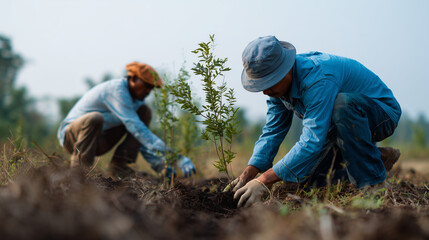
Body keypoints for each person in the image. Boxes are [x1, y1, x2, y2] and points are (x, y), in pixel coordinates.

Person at [231, 36, 401, 208]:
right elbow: (273, 130)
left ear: (286, 69)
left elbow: (312, 140)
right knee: (304, 184)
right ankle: (375, 158)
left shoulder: (317, 79)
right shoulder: (278, 89)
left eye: (270, 82)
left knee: (342, 105)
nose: (265, 91)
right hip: (335, 129)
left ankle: (373, 183)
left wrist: (264, 180)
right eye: (262, 84)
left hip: (380, 115)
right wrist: (249, 173)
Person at [57, 62, 196, 178]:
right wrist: (176, 157)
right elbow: (137, 129)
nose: (148, 91)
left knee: (144, 112)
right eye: (146, 86)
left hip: (99, 141)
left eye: (151, 88)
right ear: (133, 79)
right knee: (95, 118)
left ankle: (119, 167)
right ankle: (78, 173)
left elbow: (141, 136)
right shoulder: (117, 91)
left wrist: (160, 164)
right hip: (72, 139)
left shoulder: (135, 102)